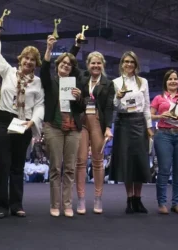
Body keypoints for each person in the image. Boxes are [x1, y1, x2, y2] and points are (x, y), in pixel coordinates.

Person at [0, 19, 44, 218]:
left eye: (32, 59)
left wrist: (33, 121)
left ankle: (16, 205)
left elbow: (40, 105)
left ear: (36, 63)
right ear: (20, 59)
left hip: (24, 122)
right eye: (26, 58)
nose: (28, 62)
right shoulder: (8, 72)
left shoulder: (37, 83)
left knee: (17, 166)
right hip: (3, 120)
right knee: (3, 164)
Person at [70, 35, 115, 215]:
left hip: (97, 120)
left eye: (98, 63)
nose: (95, 66)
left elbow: (110, 106)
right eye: (92, 63)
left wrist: (108, 127)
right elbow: (71, 64)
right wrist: (77, 46)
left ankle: (98, 198)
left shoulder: (108, 84)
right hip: (81, 121)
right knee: (80, 161)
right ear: (88, 65)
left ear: (102, 65)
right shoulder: (82, 78)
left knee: (97, 161)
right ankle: (81, 199)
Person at [41, 35, 85, 217]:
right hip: (54, 127)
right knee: (55, 168)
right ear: (57, 65)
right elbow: (43, 70)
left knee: (69, 168)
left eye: (69, 64)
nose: (66, 65)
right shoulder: (50, 82)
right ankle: (54, 204)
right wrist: (49, 49)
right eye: (63, 63)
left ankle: (67, 204)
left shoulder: (75, 83)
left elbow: (82, 107)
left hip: (74, 129)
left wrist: (79, 97)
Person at [110, 51, 153, 214]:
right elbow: (113, 106)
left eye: (132, 62)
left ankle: (138, 199)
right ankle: (129, 199)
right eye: (126, 62)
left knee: (139, 161)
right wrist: (118, 97)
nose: (129, 64)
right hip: (123, 122)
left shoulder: (143, 82)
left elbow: (147, 106)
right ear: (121, 64)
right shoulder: (115, 83)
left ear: (136, 65)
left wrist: (149, 127)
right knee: (127, 162)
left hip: (139, 122)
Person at [151, 69, 178, 214]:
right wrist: (161, 115)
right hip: (163, 135)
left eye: (175, 79)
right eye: (170, 79)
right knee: (163, 170)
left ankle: (176, 203)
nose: (173, 81)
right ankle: (162, 203)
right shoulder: (159, 98)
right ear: (166, 82)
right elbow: (149, 115)